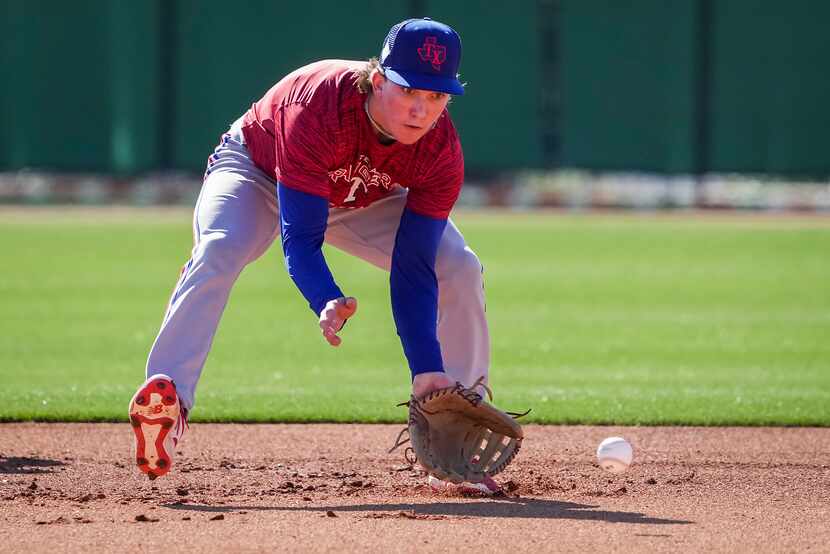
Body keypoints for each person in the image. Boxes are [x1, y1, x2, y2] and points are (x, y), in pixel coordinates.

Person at [128, 17, 496, 493]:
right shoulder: (319, 106)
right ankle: (169, 397)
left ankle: (454, 430)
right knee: (221, 247)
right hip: (259, 174)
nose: (421, 110)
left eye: (437, 96)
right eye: (410, 92)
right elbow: (300, 238)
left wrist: (425, 367)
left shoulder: (440, 150)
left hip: (361, 196)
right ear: (379, 79)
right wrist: (323, 295)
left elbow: (414, 265)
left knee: (458, 267)